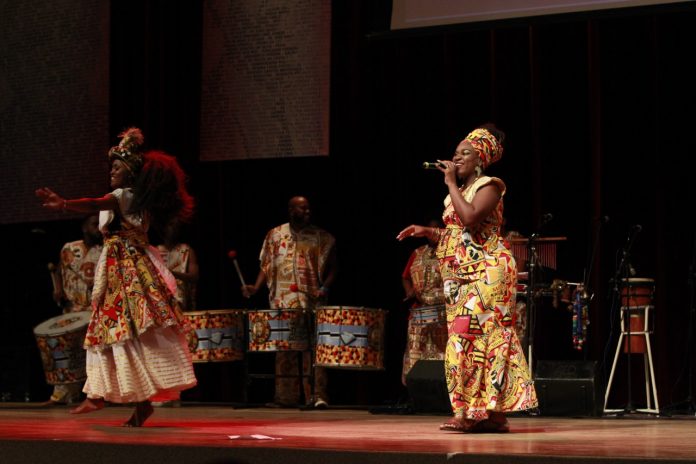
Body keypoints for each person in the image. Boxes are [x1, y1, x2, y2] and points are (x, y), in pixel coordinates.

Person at [35, 127, 197, 427]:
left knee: (113, 325)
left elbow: (97, 204)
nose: (112, 171)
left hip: (125, 267)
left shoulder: (123, 196)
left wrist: (65, 203)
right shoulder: (136, 199)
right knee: (131, 329)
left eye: (117, 167)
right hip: (127, 264)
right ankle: (139, 404)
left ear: (130, 174)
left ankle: (98, 396)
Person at [397, 124, 537, 433]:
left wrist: (449, 182)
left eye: (465, 154)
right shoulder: (457, 196)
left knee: (479, 339)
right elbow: (458, 232)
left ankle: (469, 414)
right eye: (455, 154)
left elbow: (471, 219)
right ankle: (492, 415)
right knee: (466, 340)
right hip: (461, 275)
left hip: (489, 272)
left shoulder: (490, 185)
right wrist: (428, 231)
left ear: (481, 159)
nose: (457, 158)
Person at [242, 196, 337, 409]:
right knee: (284, 351)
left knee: (312, 351)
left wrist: (325, 286)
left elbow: (333, 267)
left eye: (309, 208)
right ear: (291, 209)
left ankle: (316, 395)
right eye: (303, 208)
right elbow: (266, 266)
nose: (307, 211)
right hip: (282, 301)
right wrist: (255, 287)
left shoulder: (320, 236)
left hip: (310, 300)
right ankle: (285, 398)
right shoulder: (275, 235)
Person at [44, 214, 103, 405]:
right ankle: (62, 394)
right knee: (66, 352)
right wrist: (58, 290)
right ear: (84, 227)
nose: (98, 229)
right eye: (94, 225)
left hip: (94, 311)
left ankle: (96, 395)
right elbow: (61, 269)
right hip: (72, 310)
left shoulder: (104, 250)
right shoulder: (69, 248)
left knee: (95, 354)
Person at [401, 218, 446, 386]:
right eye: (429, 229)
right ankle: (415, 391)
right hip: (420, 311)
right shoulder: (418, 253)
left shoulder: (451, 253)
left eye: (435, 229)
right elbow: (405, 277)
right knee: (415, 352)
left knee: (443, 352)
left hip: (444, 312)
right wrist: (410, 291)